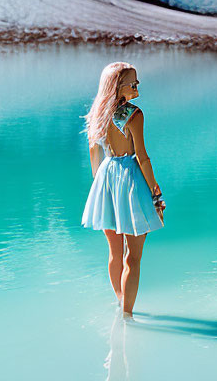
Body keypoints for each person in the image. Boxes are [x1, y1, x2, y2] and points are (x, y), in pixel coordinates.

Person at [81, 62, 165, 318]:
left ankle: (120, 304)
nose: (137, 86)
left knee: (115, 252)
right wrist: (156, 192)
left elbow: (95, 157)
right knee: (134, 256)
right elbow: (142, 157)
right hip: (130, 179)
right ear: (120, 87)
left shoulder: (98, 114)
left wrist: (101, 187)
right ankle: (128, 315)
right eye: (133, 83)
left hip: (106, 178)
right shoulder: (133, 114)